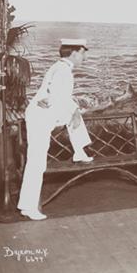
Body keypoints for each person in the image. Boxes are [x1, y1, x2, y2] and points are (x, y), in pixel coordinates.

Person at [17, 39, 94, 221]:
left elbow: (56, 96)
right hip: (40, 118)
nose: (84, 57)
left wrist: (72, 111)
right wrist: (73, 110)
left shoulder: (60, 67)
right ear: (74, 53)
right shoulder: (63, 71)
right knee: (37, 163)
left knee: (74, 116)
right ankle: (29, 207)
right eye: (82, 53)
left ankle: (79, 151)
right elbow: (60, 97)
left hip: (46, 113)